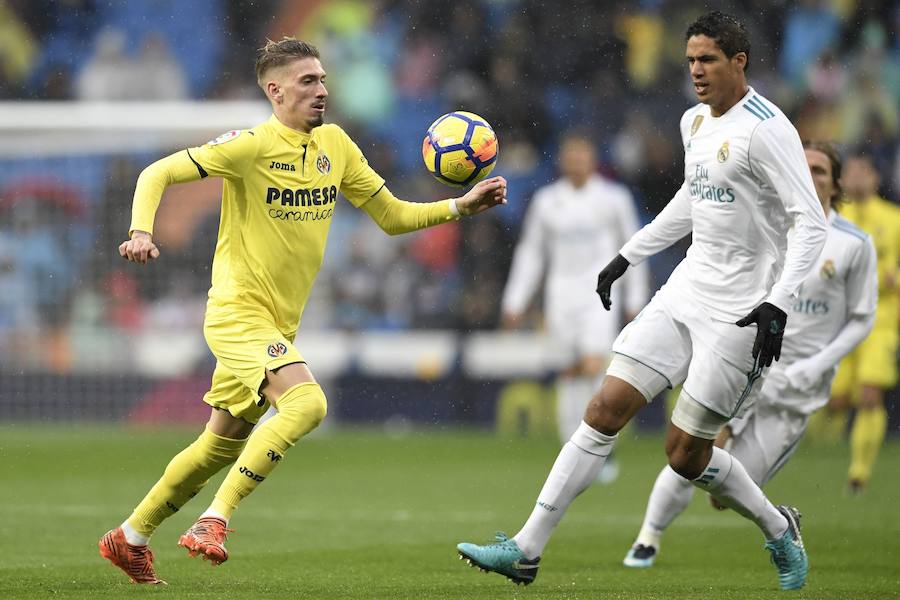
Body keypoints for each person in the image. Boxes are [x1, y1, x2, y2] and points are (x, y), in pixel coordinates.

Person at [98, 37, 507, 585]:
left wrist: (460, 205)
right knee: (307, 403)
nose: (322, 90)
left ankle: (130, 537)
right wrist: (141, 231)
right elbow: (156, 173)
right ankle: (214, 519)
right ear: (275, 90)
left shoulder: (335, 146)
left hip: (276, 322)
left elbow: (390, 216)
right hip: (236, 312)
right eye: (308, 81)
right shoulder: (250, 145)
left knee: (217, 445)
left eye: (322, 79)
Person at [456, 11, 827, 591]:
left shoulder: (767, 129)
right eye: (690, 61)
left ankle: (778, 526)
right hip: (686, 288)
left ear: (739, 61)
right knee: (604, 408)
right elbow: (691, 198)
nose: (697, 72)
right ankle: (525, 548)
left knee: (684, 454)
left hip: (743, 311)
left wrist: (780, 301)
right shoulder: (693, 122)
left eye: (707, 60)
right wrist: (628, 255)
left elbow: (811, 224)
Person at [622, 140, 878, 568]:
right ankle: (647, 538)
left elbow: (862, 318)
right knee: (693, 447)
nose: (810, 177)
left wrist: (818, 365)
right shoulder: (766, 221)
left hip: (798, 384)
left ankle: (777, 520)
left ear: (836, 185)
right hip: (748, 360)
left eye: (820, 171)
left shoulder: (853, 244)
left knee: (726, 492)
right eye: (804, 168)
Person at [500, 133, 649, 481]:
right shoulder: (547, 201)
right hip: (561, 296)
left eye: (583, 155)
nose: (577, 162)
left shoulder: (613, 198)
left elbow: (634, 247)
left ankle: (600, 450)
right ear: (563, 161)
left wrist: (635, 299)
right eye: (571, 156)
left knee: (595, 366)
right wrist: (515, 299)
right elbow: (532, 252)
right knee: (568, 372)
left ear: (593, 159)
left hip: (600, 294)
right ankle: (572, 449)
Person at [823, 151, 900, 494]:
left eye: (862, 172)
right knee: (834, 400)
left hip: (881, 319)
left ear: (875, 179)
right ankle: (808, 454)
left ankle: (859, 473)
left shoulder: (894, 219)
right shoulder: (833, 217)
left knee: (870, 395)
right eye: (850, 172)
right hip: (837, 318)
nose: (855, 178)